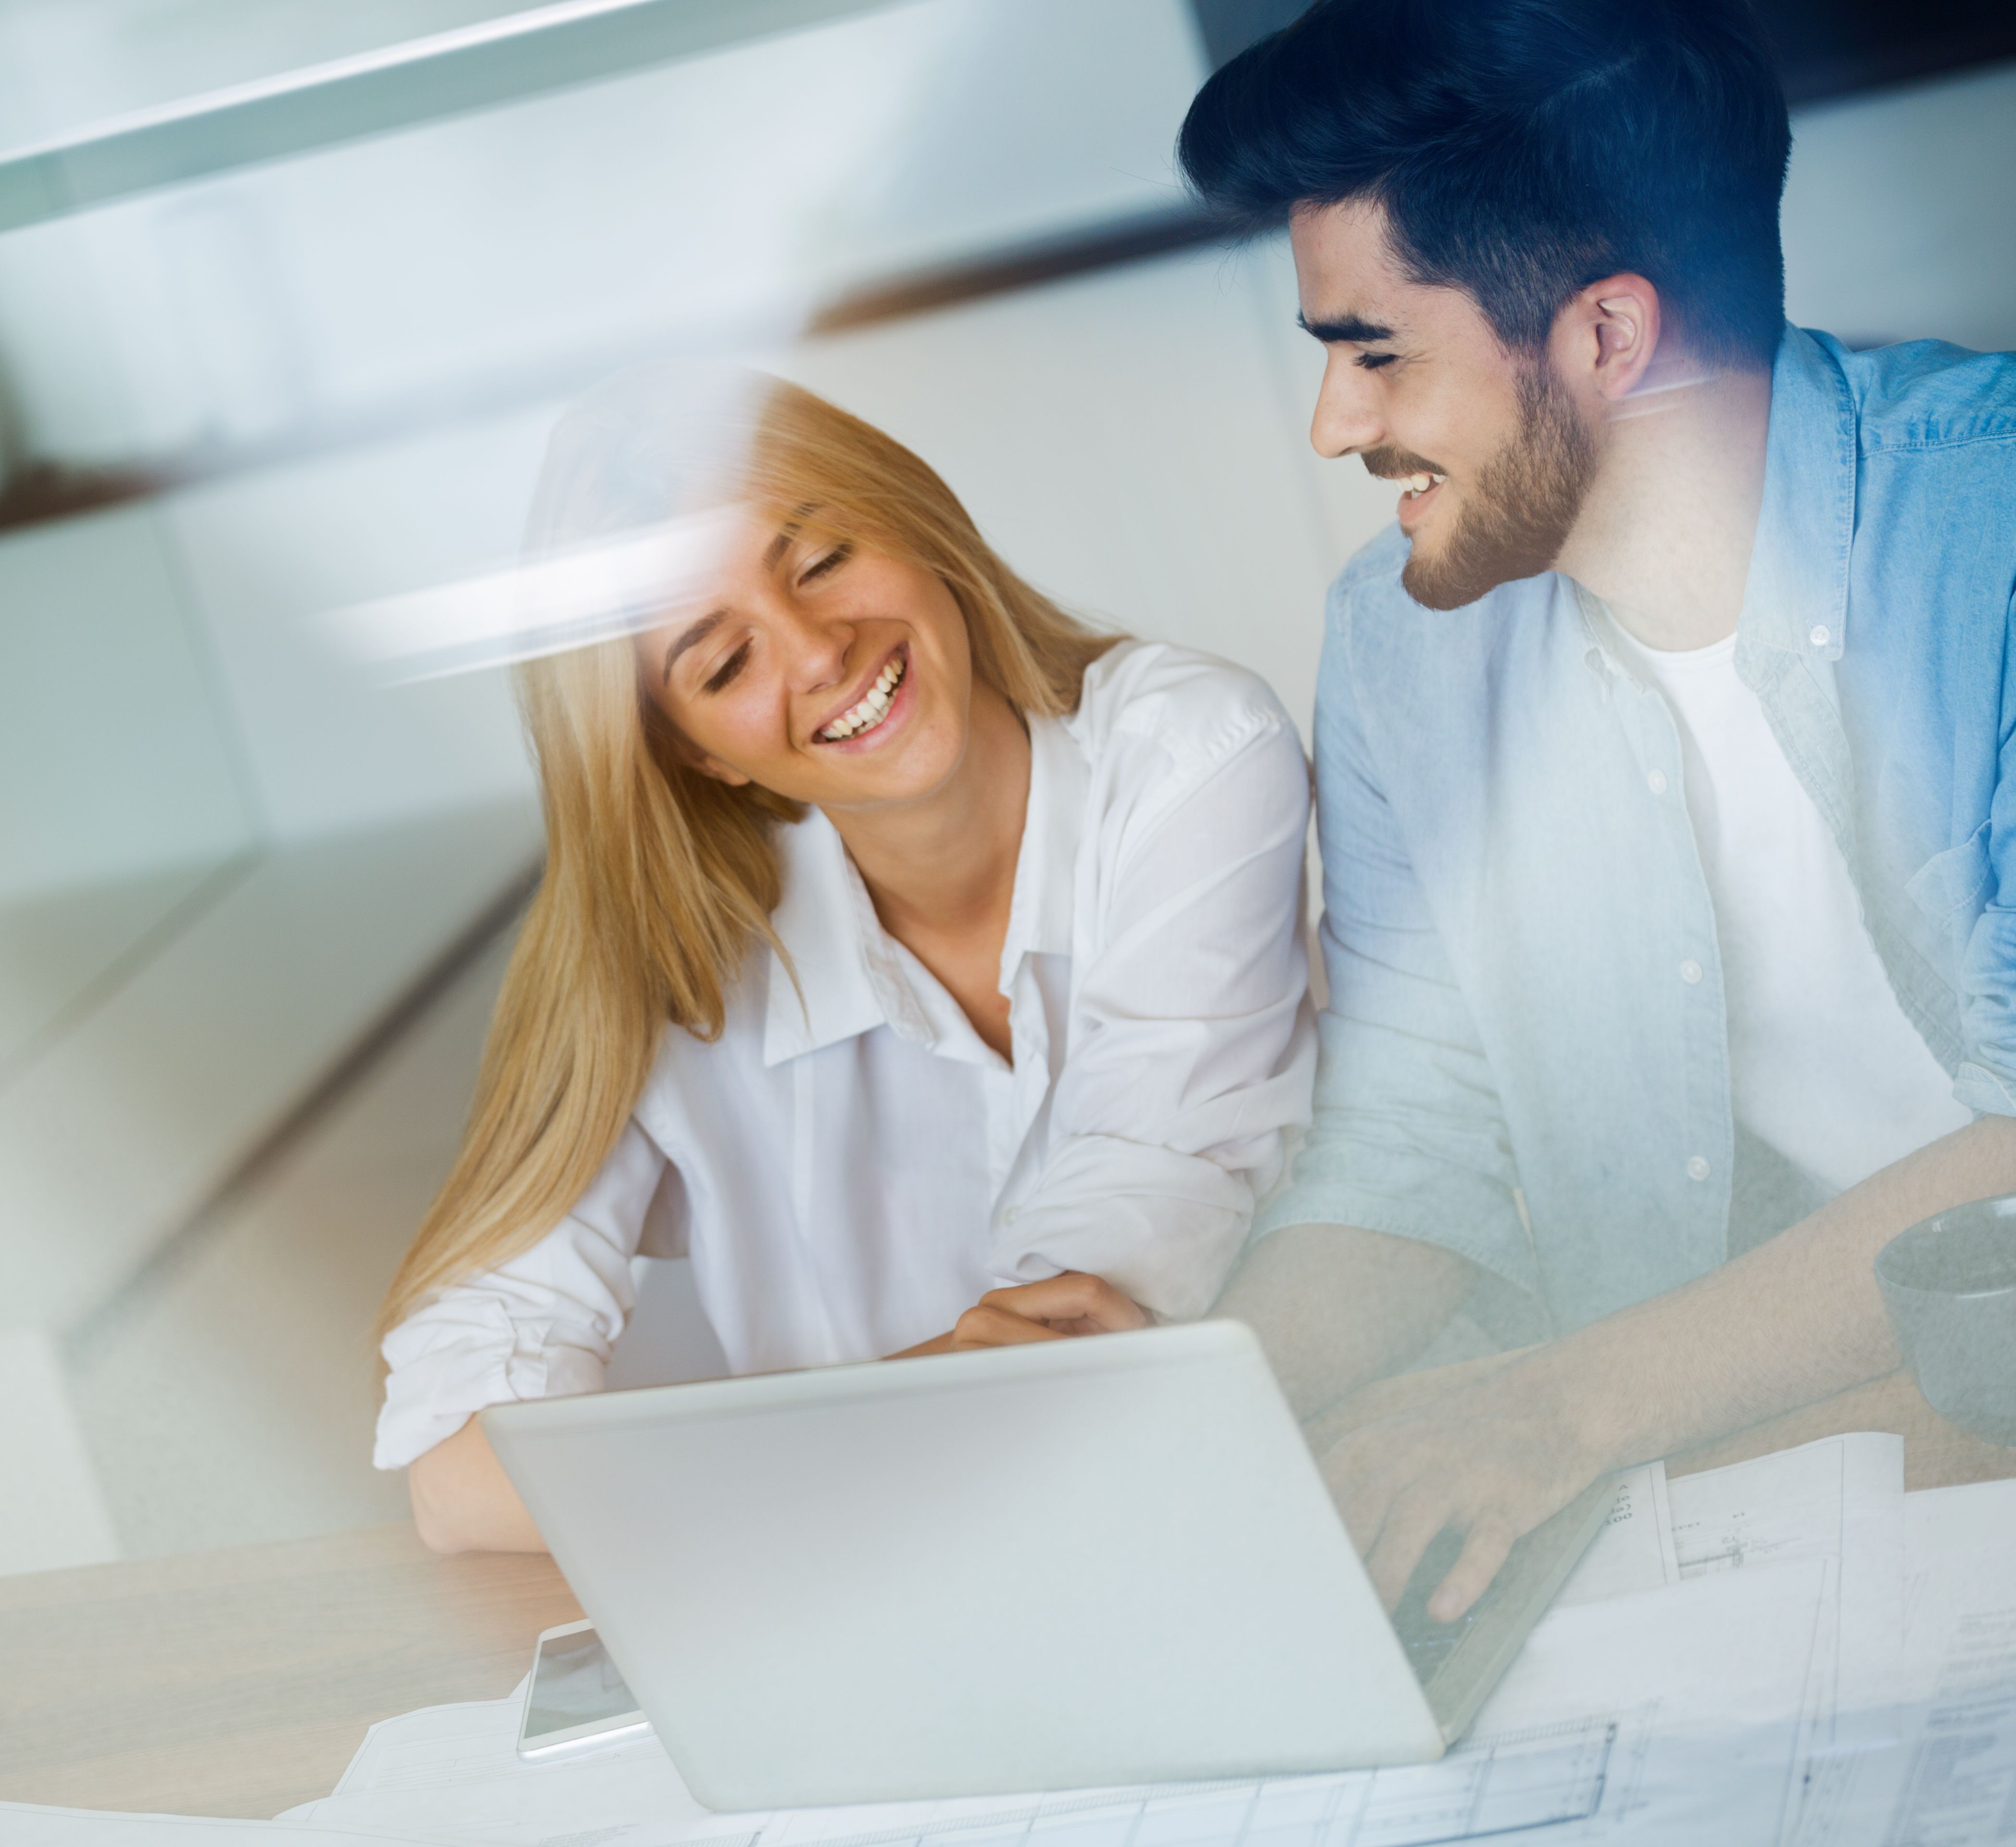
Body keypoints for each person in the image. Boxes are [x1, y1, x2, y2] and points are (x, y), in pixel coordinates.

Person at [1177, 0, 2016, 1623]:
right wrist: (1183, 1434)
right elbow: (1414, 1147)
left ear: (1607, 335)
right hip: (1728, 1459)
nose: (1337, 426)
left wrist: (1555, 1408)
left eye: (1372, 352)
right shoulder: (1398, 647)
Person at [375, 367, 1317, 1552]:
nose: (819, 652)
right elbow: (455, 1471)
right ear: (699, 757)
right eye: (725, 665)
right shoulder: (677, 966)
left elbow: (1128, 1236)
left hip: (1266, 1509)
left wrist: (809, 1444)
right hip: (883, 1588)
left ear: (914, 525)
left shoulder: (1187, 754)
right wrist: (888, 1416)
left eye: (821, 560)